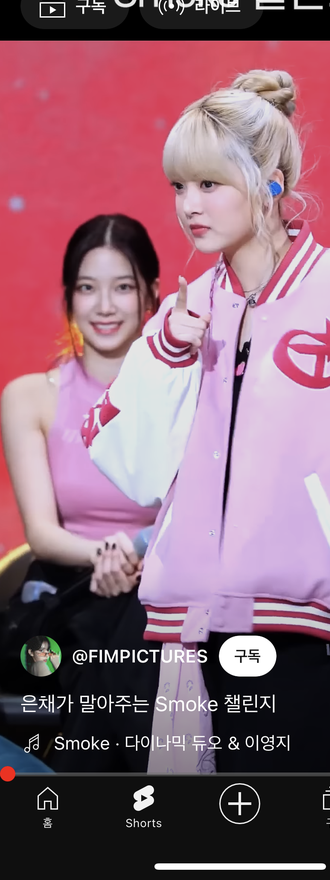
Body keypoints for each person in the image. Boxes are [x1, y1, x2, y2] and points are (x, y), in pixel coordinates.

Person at [83, 70, 330, 774]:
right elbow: (134, 468)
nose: (188, 206)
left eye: (209, 183)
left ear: (272, 183)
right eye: (178, 186)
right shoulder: (185, 310)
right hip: (186, 628)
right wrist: (168, 354)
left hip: (302, 625)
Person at [0, 214, 161, 770]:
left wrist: (135, 556)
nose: (105, 306)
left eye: (123, 288)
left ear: (152, 295)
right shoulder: (30, 397)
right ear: (69, 298)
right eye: (88, 288)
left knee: (137, 633)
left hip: (160, 586)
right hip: (66, 588)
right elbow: (42, 533)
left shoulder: (186, 397)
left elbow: (200, 514)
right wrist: (107, 554)